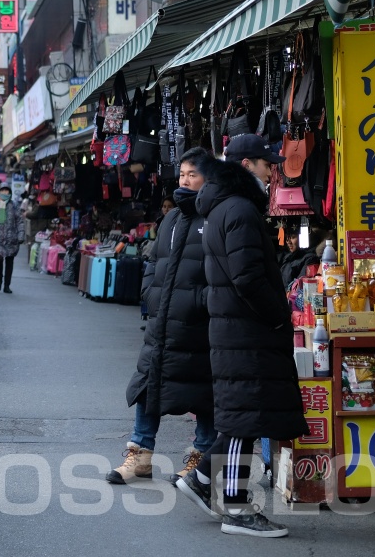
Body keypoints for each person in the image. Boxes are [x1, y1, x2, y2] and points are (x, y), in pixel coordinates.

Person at [176, 133, 306, 538]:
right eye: (268, 164)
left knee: (242, 417)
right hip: (246, 329)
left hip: (236, 327)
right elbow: (248, 278)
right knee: (244, 420)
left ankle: (200, 482)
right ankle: (236, 510)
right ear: (247, 165)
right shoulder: (240, 210)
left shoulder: (223, 208)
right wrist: (279, 316)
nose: (273, 172)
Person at [108, 148, 216, 485]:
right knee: (148, 385)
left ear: (208, 179)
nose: (185, 180)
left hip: (199, 326)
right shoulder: (171, 218)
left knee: (204, 393)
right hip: (162, 321)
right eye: (182, 174)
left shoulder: (216, 216)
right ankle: (139, 455)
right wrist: (149, 294)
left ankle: (198, 459)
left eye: (192, 175)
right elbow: (153, 261)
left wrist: (202, 302)